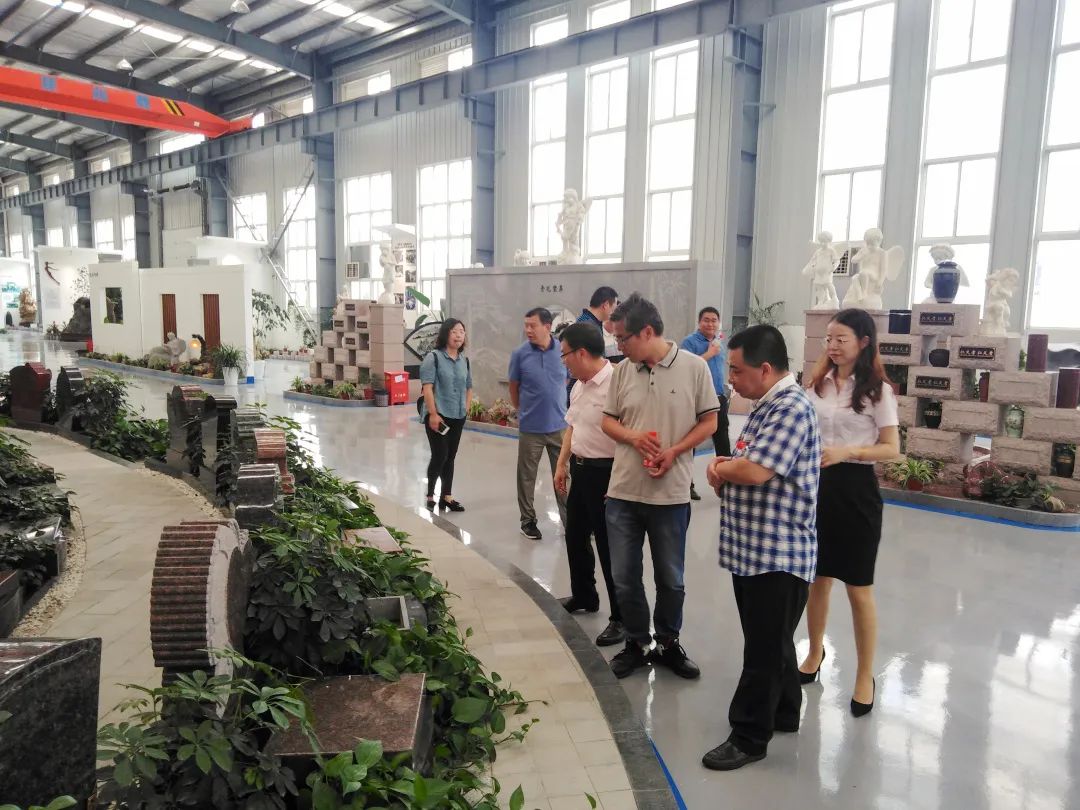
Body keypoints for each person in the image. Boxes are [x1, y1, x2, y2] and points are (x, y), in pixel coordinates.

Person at [702, 325, 820, 772]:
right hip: (754, 550)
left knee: (762, 651)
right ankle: (785, 711)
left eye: (736, 370)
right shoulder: (764, 406)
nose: (731, 378)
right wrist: (727, 467)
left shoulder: (790, 408)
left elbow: (754, 470)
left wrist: (721, 467)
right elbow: (744, 461)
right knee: (771, 639)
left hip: (779, 554)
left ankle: (750, 736)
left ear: (765, 368)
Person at [600, 293, 719, 680]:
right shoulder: (622, 372)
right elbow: (608, 421)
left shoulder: (694, 368)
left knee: (671, 578)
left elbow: (710, 422)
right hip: (623, 493)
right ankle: (637, 643)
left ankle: (668, 642)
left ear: (647, 332)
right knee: (624, 577)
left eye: (623, 338)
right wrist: (633, 437)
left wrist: (675, 452)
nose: (618, 345)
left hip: (670, 495)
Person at [797, 308, 900, 718]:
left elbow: (891, 448)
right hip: (816, 489)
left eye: (841, 339)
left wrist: (848, 451)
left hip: (856, 492)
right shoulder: (816, 385)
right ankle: (814, 652)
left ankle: (864, 675)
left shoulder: (878, 391)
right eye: (829, 339)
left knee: (858, 588)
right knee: (817, 580)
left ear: (864, 342)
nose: (833, 346)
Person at [553, 323, 625, 647]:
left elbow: (627, 438)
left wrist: (620, 481)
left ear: (581, 353)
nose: (563, 361)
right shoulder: (579, 386)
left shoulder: (617, 384)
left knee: (610, 548)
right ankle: (584, 595)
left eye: (565, 354)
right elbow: (573, 426)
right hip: (580, 471)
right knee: (575, 536)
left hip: (607, 474)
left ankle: (621, 618)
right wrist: (561, 464)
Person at [509, 307, 570, 540]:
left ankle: (570, 520)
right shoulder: (519, 354)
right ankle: (528, 521)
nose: (528, 330)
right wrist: (522, 410)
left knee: (564, 475)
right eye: (526, 325)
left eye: (532, 325)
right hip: (531, 428)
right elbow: (514, 387)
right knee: (526, 476)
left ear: (547, 326)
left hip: (559, 426)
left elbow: (565, 379)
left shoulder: (562, 350)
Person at [419, 319, 473, 512]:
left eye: (462, 332)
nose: (459, 335)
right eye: (454, 331)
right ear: (445, 334)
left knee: (450, 456)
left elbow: (468, 387)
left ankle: (446, 497)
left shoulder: (464, 360)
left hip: (458, 415)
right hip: (438, 415)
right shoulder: (433, 358)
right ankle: (430, 494)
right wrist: (433, 414)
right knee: (440, 455)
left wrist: (466, 408)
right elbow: (427, 388)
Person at [680, 306, 730, 501]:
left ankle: (727, 482)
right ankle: (686, 485)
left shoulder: (719, 343)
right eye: (706, 320)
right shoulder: (690, 342)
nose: (710, 324)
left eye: (714, 320)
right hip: (696, 398)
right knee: (691, 441)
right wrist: (709, 353)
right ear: (699, 322)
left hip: (718, 396)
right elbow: (685, 368)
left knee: (722, 440)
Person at [568, 286, 619, 400]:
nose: (615, 312)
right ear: (606, 305)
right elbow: (592, 363)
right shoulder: (588, 327)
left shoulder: (590, 322)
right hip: (583, 389)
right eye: (614, 307)